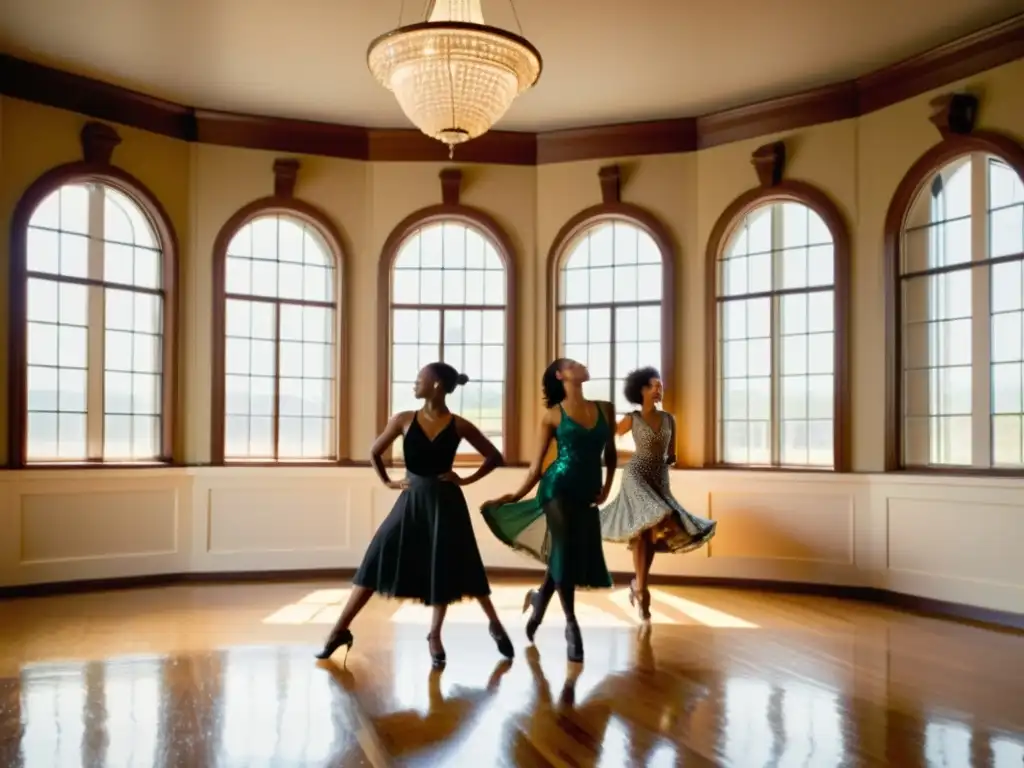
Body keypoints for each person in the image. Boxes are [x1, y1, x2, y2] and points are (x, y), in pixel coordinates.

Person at [315, 362, 514, 668]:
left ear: (435, 385)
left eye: (419, 379)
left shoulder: (459, 425)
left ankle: (435, 635)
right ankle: (338, 631)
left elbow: (494, 457)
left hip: (446, 502)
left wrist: (465, 479)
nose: (415, 384)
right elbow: (374, 452)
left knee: (445, 565)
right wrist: (389, 482)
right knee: (376, 558)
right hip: (411, 500)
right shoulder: (403, 419)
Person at [481, 358, 616, 663]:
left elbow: (610, 453)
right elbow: (536, 467)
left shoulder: (605, 408)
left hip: (587, 492)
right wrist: (515, 495)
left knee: (566, 554)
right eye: (572, 364)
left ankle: (539, 601)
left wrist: (608, 487)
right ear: (560, 376)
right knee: (565, 552)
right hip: (557, 489)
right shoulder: (553, 416)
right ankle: (572, 626)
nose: (581, 365)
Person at [599, 367, 716, 621]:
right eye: (653, 385)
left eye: (660, 386)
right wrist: (616, 458)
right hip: (635, 475)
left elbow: (671, 455)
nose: (658, 389)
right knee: (654, 519)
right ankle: (642, 591)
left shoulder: (669, 419)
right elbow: (606, 439)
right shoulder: (632, 418)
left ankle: (639, 587)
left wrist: (666, 461)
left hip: (658, 479)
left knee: (648, 533)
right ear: (641, 390)